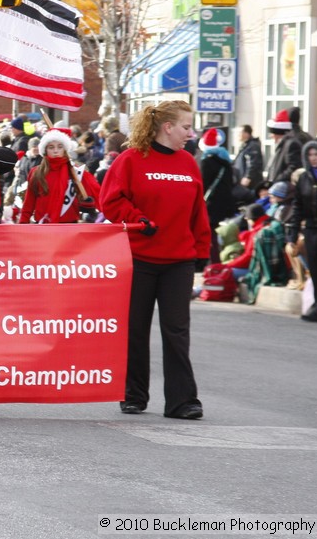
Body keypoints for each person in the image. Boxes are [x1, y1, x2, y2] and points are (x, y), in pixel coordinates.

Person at [99, 100, 210, 420]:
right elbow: (110, 200)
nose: (191, 133)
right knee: (135, 329)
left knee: (177, 332)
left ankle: (183, 401)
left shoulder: (189, 162)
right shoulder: (131, 160)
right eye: (187, 127)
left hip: (179, 260)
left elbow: (197, 211)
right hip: (138, 258)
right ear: (168, 127)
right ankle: (133, 395)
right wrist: (138, 219)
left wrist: (202, 250)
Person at [18, 128, 100, 224]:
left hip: (68, 226)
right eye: (51, 147)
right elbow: (29, 202)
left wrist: (88, 204)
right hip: (43, 226)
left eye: (60, 147)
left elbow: (96, 196)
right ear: (45, 150)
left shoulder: (76, 171)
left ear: (65, 150)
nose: (56, 151)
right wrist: (23, 223)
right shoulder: (36, 172)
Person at [286, 140, 317, 322]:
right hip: (311, 229)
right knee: (315, 269)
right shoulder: (304, 178)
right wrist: (292, 234)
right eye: (310, 155)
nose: (314, 158)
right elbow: (298, 207)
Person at [198, 128, 235, 261]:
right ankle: (222, 259)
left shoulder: (206, 162)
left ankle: (213, 261)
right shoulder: (226, 162)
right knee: (222, 233)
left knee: (211, 234)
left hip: (211, 204)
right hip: (226, 203)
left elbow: (203, 183)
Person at [265, 109, 303, 184]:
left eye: (272, 133)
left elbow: (293, 167)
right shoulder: (284, 144)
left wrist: (278, 179)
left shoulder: (291, 144)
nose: (271, 136)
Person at [232, 124, 264, 195]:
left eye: (240, 132)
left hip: (250, 183)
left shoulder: (253, 146)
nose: (238, 135)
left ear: (246, 133)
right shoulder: (244, 146)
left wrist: (248, 177)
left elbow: (253, 163)